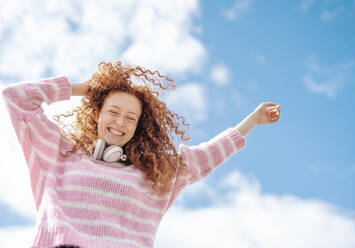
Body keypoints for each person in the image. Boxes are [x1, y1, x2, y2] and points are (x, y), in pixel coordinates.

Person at [2, 61, 281, 248]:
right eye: (112, 112)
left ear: (139, 127)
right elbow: (17, 98)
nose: (120, 122)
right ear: (97, 113)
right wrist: (88, 88)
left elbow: (206, 155)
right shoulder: (58, 153)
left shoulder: (155, 173)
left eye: (130, 118)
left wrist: (252, 121)